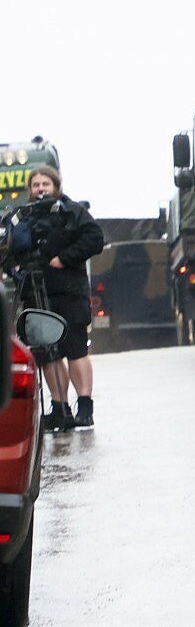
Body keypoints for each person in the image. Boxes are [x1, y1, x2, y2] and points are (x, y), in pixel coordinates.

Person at [2, 166, 104, 431]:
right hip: (36, 293)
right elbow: (7, 251)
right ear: (30, 189)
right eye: (36, 185)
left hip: (69, 292)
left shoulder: (71, 211)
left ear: (56, 186)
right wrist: (15, 269)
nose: (40, 189)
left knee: (75, 350)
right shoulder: (21, 217)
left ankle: (85, 407)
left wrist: (64, 259)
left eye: (45, 184)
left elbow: (95, 238)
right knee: (48, 354)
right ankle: (60, 408)